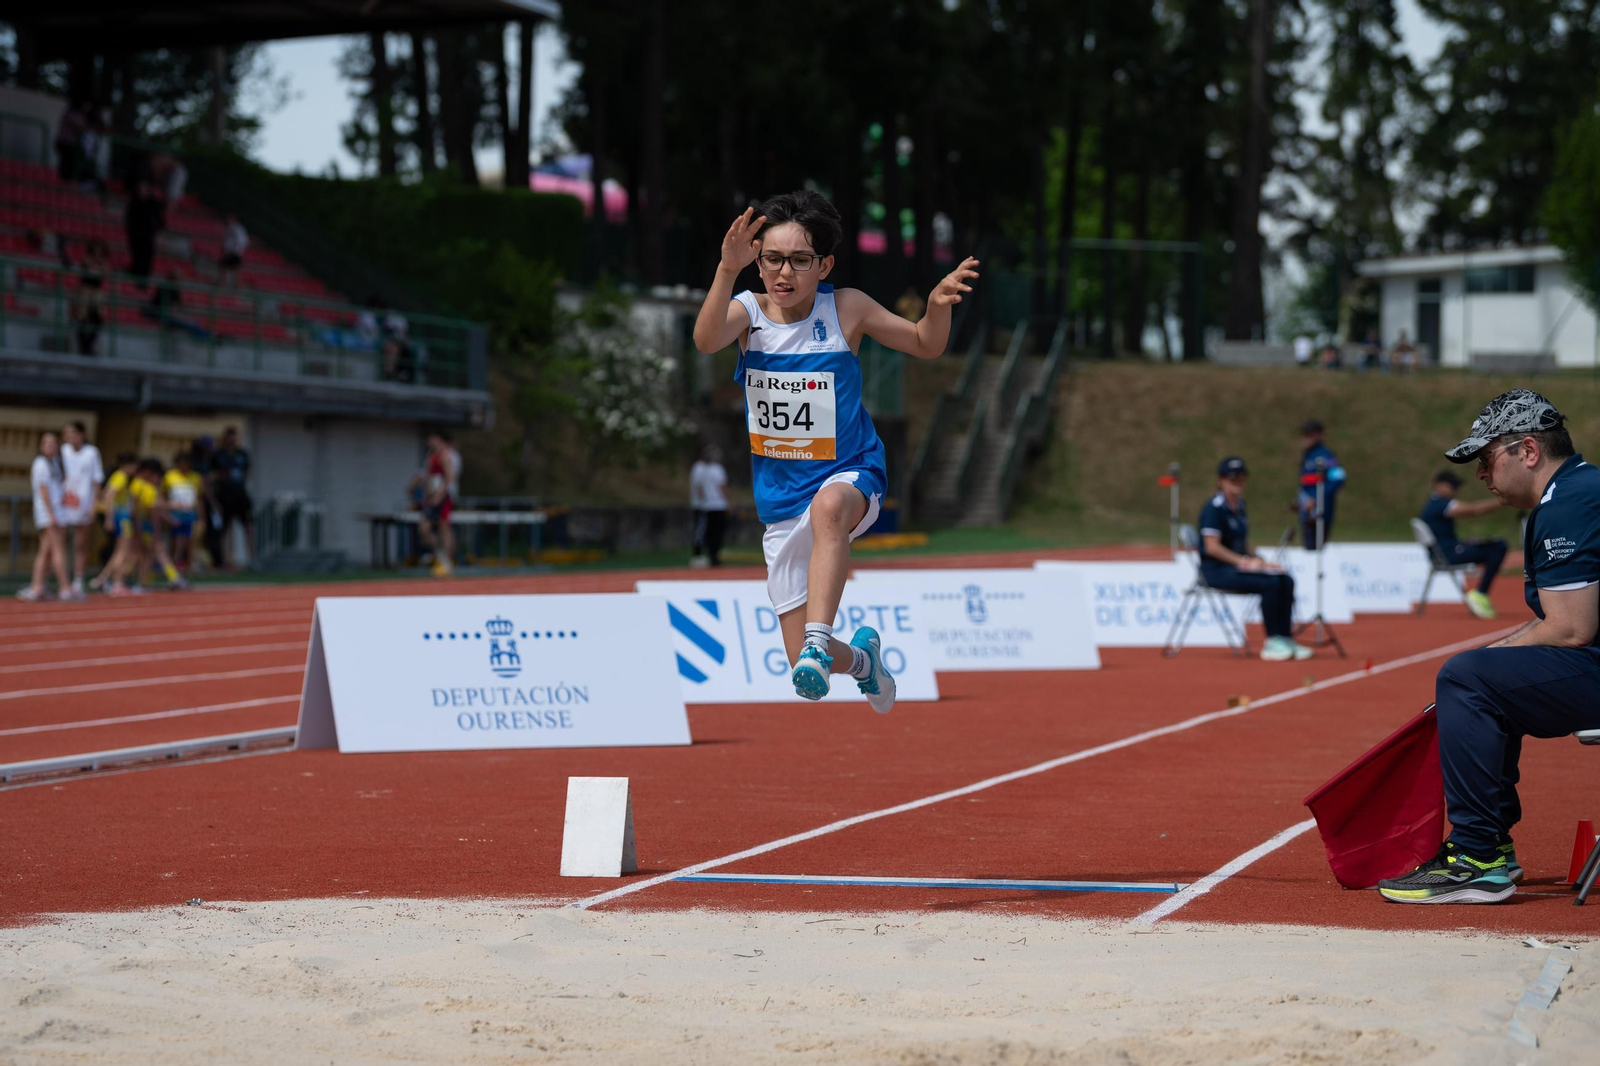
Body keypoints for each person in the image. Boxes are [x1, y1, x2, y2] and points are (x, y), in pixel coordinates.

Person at [692, 191, 980, 711]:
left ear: (823, 265)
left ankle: (819, 642)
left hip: (852, 474)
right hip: (780, 498)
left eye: (799, 261)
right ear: (757, 263)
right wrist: (725, 270)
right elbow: (707, 340)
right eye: (772, 259)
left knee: (828, 510)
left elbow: (923, 343)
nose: (784, 273)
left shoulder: (846, 307)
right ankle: (862, 661)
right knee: (793, 658)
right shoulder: (747, 311)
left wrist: (936, 309)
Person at [1379, 389, 1600, 904]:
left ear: (1528, 451)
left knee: (1467, 678)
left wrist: (1481, 666)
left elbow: (1570, 630)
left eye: (1486, 458)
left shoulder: (1569, 501)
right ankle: (1488, 848)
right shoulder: (1580, 489)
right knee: (1483, 675)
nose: (1482, 474)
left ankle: (1478, 856)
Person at [1197, 457, 1313, 662]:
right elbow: (1211, 547)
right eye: (1232, 478)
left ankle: (1285, 637)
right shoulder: (1213, 508)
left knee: (1284, 579)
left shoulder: (1240, 505)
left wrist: (1261, 561)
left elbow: (1242, 542)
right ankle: (1272, 641)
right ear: (1221, 481)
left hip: (1236, 567)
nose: (1237, 482)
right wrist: (1244, 563)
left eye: (1241, 478)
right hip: (1216, 571)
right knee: (1269, 584)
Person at [1419, 470, 1507, 620]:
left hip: (1447, 551)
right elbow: (1474, 510)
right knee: (1498, 547)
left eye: (1456, 486)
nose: (1454, 490)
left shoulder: (1433, 504)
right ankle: (1480, 593)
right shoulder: (1439, 504)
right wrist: (1504, 500)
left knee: (1491, 545)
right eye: (1451, 486)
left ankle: (1480, 593)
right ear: (1438, 485)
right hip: (1448, 554)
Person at [17, 431, 75, 602]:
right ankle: (64, 587)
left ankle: (38, 586)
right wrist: (52, 515)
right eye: (46, 443)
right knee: (58, 550)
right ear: (41, 446)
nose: (50, 446)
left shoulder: (55, 463)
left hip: (57, 512)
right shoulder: (41, 464)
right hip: (49, 514)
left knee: (46, 552)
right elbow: (43, 491)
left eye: (54, 443)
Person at [60, 421, 104, 595]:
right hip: (64, 504)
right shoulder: (62, 451)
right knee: (59, 543)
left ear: (82, 434)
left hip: (84, 504)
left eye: (73, 433)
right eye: (67, 434)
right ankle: (62, 578)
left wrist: (94, 504)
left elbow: (97, 480)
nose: (70, 437)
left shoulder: (91, 453)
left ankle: (78, 579)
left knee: (81, 543)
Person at [414, 430, 461, 576]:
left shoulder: (446, 455)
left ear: (439, 439)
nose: (430, 442)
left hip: (443, 496)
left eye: (433, 439)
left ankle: (447, 561)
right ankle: (440, 554)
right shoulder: (430, 456)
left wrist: (440, 495)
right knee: (424, 528)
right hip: (431, 496)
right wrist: (424, 494)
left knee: (443, 526)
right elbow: (427, 476)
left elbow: (449, 478)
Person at [91, 451, 139, 594]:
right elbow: (109, 495)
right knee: (123, 551)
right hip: (122, 517)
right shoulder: (121, 476)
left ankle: (103, 578)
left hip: (120, 516)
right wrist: (109, 518)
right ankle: (118, 581)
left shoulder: (117, 476)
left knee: (120, 551)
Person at [1297, 419, 1345, 550]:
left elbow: (1338, 478)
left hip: (1320, 512)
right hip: (1306, 511)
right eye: (1305, 434)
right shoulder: (1307, 455)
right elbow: (1306, 482)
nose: (1306, 438)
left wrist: (1317, 499)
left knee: (1316, 548)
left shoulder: (1325, 456)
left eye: (1310, 435)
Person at [212, 426, 254, 569]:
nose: (232, 439)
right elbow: (211, 476)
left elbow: (247, 473)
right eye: (229, 437)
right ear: (225, 438)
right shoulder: (219, 454)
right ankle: (225, 560)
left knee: (248, 526)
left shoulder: (242, 454)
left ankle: (252, 560)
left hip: (241, 495)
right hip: (225, 495)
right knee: (225, 528)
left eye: (234, 436)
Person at [163, 451, 205, 573]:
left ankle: (189, 566)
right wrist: (167, 511)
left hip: (190, 513)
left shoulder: (196, 477)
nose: (184, 468)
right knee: (176, 540)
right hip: (176, 513)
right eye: (181, 465)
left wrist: (201, 519)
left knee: (190, 540)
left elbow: (199, 499)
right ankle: (173, 566)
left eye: (186, 465)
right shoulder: (169, 476)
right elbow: (164, 496)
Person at [689, 445, 730, 568]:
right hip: (718, 505)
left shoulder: (703, 470)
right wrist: (729, 503)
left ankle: (707, 556)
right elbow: (722, 487)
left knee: (707, 532)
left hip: (707, 506)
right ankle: (714, 557)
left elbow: (699, 488)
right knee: (717, 533)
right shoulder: (717, 469)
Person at [70, 240, 110, 355]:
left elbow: (105, 272)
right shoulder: (86, 259)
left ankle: (89, 346)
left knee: (97, 319)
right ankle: (83, 346)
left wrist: (99, 267)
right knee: (82, 318)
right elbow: (91, 270)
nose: (98, 251)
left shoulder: (103, 262)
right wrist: (98, 268)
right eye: (96, 248)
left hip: (96, 293)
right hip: (84, 291)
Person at [124, 180, 162, 283]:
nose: (142, 190)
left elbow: (160, 221)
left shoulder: (153, 203)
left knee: (146, 259)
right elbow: (129, 219)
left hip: (147, 237)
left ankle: (142, 282)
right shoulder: (134, 202)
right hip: (136, 236)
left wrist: (155, 232)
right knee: (137, 257)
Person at [219, 214, 249, 287]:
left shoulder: (238, 229)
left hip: (234, 252)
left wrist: (235, 250)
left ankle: (236, 286)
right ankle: (222, 286)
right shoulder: (229, 228)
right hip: (228, 252)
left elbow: (242, 241)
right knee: (224, 268)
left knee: (235, 269)